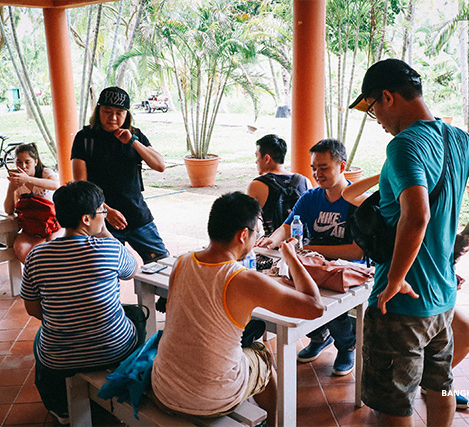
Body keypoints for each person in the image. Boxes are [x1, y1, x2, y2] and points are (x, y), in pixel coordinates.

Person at [348, 58, 469, 425]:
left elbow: (418, 214)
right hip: (442, 301)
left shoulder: (405, 145)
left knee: (392, 407)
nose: (376, 118)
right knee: (439, 388)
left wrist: (394, 279)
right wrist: (468, 235)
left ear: (388, 97)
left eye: (373, 107)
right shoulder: (457, 138)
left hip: (402, 307)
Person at [151, 192, 323, 425]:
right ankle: (271, 422)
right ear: (243, 235)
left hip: (163, 388)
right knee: (261, 353)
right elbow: (315, 307)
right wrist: (291, 257)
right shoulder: (243, 279)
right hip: (213, 400)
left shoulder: (182, 262)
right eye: (256, 234)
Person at [342, 173, 469, 410]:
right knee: (397, 391)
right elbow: (349, 194)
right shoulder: (388, 202)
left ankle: (429, 384)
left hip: (432, 294)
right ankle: (426, 386)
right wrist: (386, 174)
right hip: (403, 297)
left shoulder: (433, 209)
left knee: (464, 331)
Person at [21, 180, 144, 424]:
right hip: (112, 349)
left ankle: (60, 406)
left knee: (41, 338)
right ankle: (128, 383)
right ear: (86, 219)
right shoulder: (108, 248)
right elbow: (134, 268)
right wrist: (106, 234)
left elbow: (33, 310)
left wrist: (67, 317)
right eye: (102, 211)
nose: (105, 216)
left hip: (59, 359)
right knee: (137, 315)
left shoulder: (36, 255)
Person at [256, 139, 364, 376]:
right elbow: (287, 226)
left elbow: (356, 252)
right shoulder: (311, 197)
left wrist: (312, 249)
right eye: (314, 168)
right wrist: (271, 241)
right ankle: (319, 336)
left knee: (326, 301)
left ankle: (347, 345)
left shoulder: (356, 202)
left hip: (345, 270)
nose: (317, 174)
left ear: (342, 166)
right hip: (314, 264)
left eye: (324, 168)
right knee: (291, 295)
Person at [71, 86, 168, 263]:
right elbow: (81, 186)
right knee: (105, 271)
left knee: (162, 264)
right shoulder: (85, 139)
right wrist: (106, 211)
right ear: (98, 110)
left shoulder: (135, 135)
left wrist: (133, 142)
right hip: (100, 219)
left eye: (119, 112)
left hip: (137, 214)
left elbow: (160, 165)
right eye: (107, 111)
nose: (113, 118)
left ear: (127, 114)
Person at [3, 143, 61, 263]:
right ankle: (34, 274)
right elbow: (8, 210)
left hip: (53, 225)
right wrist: (11, 188)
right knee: (19, 247)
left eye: (27, 162)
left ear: (35, 162)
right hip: (31, 226)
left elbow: (55, 185)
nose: (23, 166)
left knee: (52, 247)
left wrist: (28, 179)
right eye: (19, 162)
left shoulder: (45, 173)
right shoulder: (17, 181)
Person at [246, 134, 311, 235]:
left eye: (257, 156)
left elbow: (250, 224)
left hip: (272, 246)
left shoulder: (256, 186)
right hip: (303, 245)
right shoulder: (305, 181)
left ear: (267, 158)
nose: (256, 161)